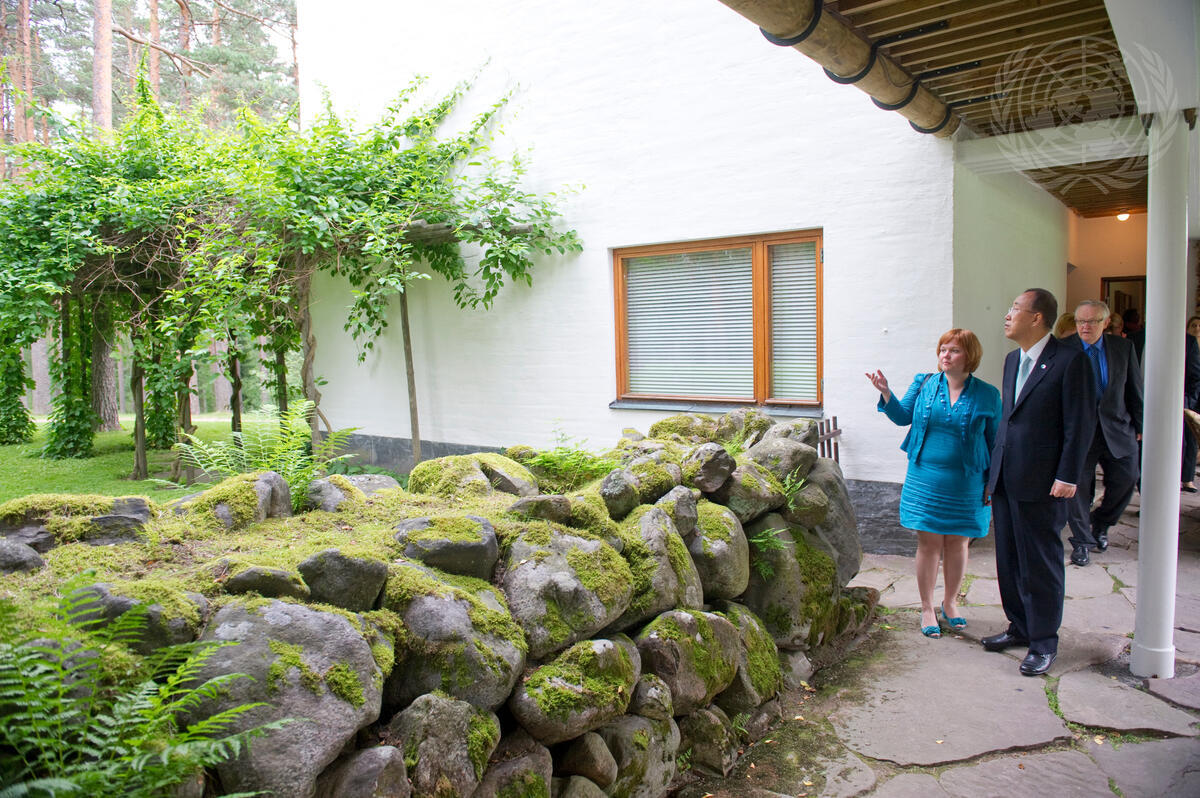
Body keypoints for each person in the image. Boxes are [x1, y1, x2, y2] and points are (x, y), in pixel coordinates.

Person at [982, 288, 1096, 676]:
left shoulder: (1071, 360)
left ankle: (1044, 641)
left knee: (1041, 563)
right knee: (1009, 559)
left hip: (1045, 482)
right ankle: (1020, 626)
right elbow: (1010, 420)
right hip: (1006, 477)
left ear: (1036, 318)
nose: (1007, 314)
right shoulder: (1013, 360)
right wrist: (993, 473)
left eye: (1015, 308)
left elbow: (1080, 423)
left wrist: (1068, 475)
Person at [867, 329, 1001, 639]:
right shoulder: (924, 383)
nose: (945, 355)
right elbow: (902, 416)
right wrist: (886, 392)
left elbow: (997, 442)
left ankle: (950, 603)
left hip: (967, 482)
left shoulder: (988, 394)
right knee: (928, 544)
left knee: (958, 543)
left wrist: (992, 483)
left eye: (954, 350)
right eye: (943, 349)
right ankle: (927, 607)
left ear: (970, 356)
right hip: (925, 478)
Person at [1060, 300, 1142, 566]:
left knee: (1127, 478)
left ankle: (1102, 524)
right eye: (1080, 321)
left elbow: (1134, 388)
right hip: (1078, 432)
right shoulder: (1063, 348)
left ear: (1105, 323)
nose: (1085, 326)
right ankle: (1082, 541)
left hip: (1117, 427)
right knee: (1077, 489)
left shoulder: (1123, 347)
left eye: (1092, 321)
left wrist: (1141, 426)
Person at [1184, 326, 1200, 492]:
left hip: (1192, 399)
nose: (1197, 328)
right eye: (1193, 325)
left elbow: (1195, 376)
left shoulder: (1191, 344)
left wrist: (1190, 400)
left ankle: (1187, 478)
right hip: (1190, 397)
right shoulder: (1189, 342)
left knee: (1191, 440)